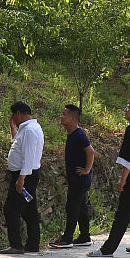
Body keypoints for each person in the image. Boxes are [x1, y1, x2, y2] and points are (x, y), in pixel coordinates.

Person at [87, 97, 130, 258]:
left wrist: (122, 180)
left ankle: (107, 250)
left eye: (128, 108)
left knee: (122, 216)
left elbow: (128, 159)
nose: (125, 110)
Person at [1, 100, 44, 254]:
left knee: (11, 209)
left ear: (18, 114)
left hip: (25, 175)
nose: (14, 119)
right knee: (29, 210)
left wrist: (21, 179)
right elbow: (18, 145)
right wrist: (13, 129)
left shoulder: (30, 130)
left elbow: (28, 157)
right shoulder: (27, 129)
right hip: (25, 174)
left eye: (14, 116)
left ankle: (16, 245)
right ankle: (33, 244)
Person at [49, 104, 94, 248]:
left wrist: (86, 170)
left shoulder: (79, 135)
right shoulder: (73, 134)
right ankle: (84, 237)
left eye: (64, 114)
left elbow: (91, 152)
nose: (61, 116)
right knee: (81, 208)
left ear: (73, 118)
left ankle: (67, 239)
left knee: (72, 207)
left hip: (80, 179)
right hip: (78, 179)